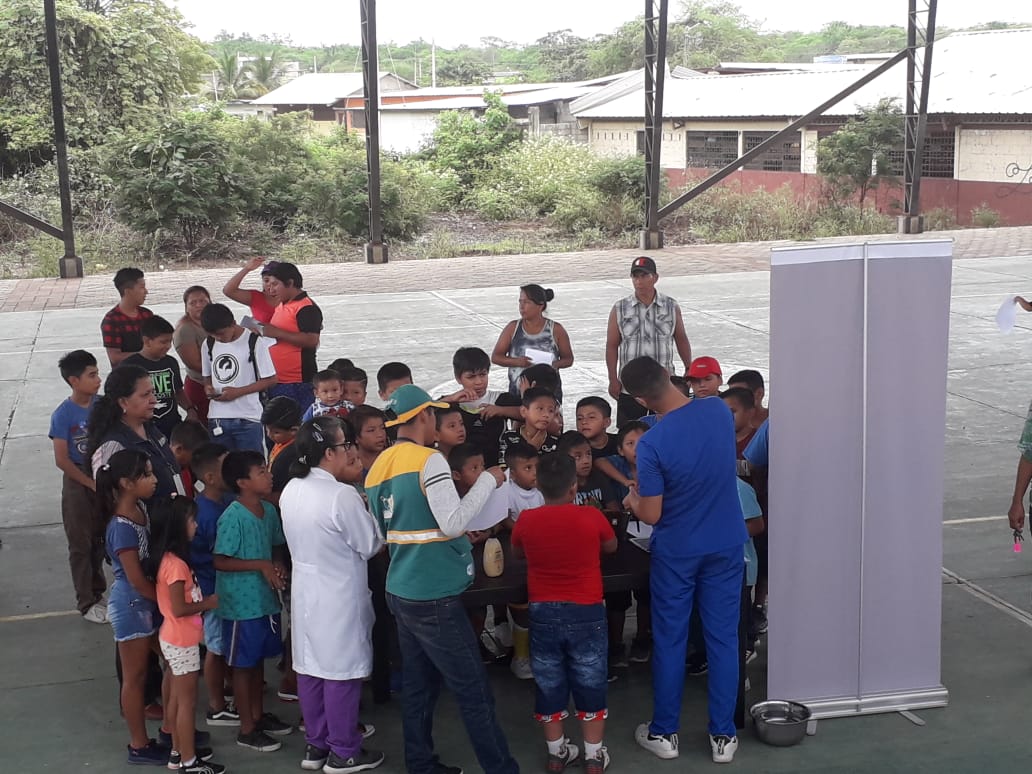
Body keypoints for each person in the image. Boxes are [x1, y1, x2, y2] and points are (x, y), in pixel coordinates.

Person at [365, 385, 518, 774]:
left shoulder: (379, 465)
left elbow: (384, 534)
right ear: (423, 416)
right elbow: (452, 524)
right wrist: (488, 481)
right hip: (433, 593)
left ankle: (420, 764)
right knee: (474, 690)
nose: (436, 420)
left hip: (402, 589)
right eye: (433, 414)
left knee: (420, 687)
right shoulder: (429, 460)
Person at [620, 356, 747, 765]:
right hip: (725, 543)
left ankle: (664, 732)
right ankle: (724, 736)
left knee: (671, 639)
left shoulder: (653, 443)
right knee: (723, 639)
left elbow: (652, 513)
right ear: (668, 374)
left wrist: (633, 500)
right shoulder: (718, 411)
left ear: (641, 399)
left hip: (677, 551)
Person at [280, 417, 386, 774]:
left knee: (311, 668)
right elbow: (369, 544)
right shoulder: (341, 495)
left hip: (306, 590)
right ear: (329, 453)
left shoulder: (292, 488)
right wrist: (370, 511)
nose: (350, 451)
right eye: (345, 445)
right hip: (338, 591)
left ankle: (317, 743)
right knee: (341, 672)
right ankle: (344, 750)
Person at [511, 453, 617, 774]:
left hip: (543, 613)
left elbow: (517, 552)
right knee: (590, 680)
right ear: (574, 487)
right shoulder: (591, 516)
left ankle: (557, 753)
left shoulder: (526, 520)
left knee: (548, 682)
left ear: (539, 486)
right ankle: (594, 756)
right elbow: (611, 546)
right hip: (587, 612)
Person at [214, 450, 293, 753]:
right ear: (242, 482)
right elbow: (220, 560)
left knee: (257, 661)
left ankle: (258, 716)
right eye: (261, 472)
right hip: (240, 606)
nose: (269, 475)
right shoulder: (233, 517)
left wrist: (277, 564)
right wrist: (261, 565)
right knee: (242, 666)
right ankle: (246, 728)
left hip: (264, 601)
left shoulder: (268, 511)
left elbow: (276, 546)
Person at [96, 449, 165, 764]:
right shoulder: (122, 526)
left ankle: (169, 730)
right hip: (133, 605)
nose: (154, 480)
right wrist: (167, 602)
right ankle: (139, 744)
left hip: (146, 602)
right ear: (126, 483)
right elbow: (136, 579)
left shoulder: (140, 508)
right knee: (135, 678)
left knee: (172, 662)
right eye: (146, 475)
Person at [148, 496, 224, 774]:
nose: (196, 525)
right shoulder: (177, 566)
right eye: (191, 521)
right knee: (186, 704)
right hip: (181, 640)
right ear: (178, 527)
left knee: (178, 700)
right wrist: (209, 603)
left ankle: (178, 752)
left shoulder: (169, 560)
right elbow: (179, 608)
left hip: (176, 638)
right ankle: (189, 762)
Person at [50, 350, 106, 622]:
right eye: (92, 375)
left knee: (99, 539)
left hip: (101, 473)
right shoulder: (63, 415)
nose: (98, 380)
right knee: (80, 543)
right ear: (74, 381)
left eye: (97, 373)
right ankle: (86, 601)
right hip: (78, 479)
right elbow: (62, 459)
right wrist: (89, 483)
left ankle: (98, 591)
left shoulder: (103, 406)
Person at [605, 257, 692, 425]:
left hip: (664, 384)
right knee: (630, 431)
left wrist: (689, 367)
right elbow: (612, 346)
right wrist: (612, 379)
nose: (639, 281)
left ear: (655, 278)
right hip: (630, 387)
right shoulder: (620, 308)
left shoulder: (670, 306)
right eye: (635, 276)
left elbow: (681, 338)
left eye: (645, 276)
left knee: (667, 428)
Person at [187, 443, 237, 727]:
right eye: (225, 467)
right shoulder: (206, 513)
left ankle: (228, 689)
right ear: (209, 477)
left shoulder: (223, 501)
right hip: (212, 590)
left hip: (221, 587)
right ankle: (217, 706)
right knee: (216, 649)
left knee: (223, 644)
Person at [87, 365, 184, 504]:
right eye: (145, 395)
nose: (154, 400)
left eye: (153, 392)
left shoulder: (150, 428)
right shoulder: (113, 445)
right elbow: (108, 498)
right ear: (123, 402)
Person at [245, 262, 323, 414]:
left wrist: (277, 332)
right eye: (268, 284)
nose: (270, 289)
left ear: (290, 283)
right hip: (277, 379)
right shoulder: (283, 304)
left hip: (296, 382)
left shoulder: (306, 307)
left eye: (275, 284)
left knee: (295, 423)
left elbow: (311, 340)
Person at [200, 303, 278, 453]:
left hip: (248, 417)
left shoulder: (254, 341)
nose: (218, 338)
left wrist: (238, 392)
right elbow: (207, 376)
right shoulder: (208, 343)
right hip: (218, 417)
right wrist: (208, 388)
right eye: (213, 335)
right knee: (222, 463)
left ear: (233, 323)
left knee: (251, 463)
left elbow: (271, 379)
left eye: (221, 334)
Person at [440, 347, 519, 467]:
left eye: (483, 374)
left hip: (498, 467)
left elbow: (528, 413)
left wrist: (501, 410)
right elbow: (423, 413)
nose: (479, 382)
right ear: (458, 378)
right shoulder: (450, 403)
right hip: (463, 470)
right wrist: (450, 399)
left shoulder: (501, 399)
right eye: (471, 377)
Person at [123, 316, 199, 440]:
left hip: (171, 426)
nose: (168, 346)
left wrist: (190, 409)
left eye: (170, 341)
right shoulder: (129, 366)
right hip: (143, 429)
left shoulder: (171, 362)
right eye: (163, 342)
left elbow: (178, 391)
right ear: (147, 341)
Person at [491, 284, 574, 397]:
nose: (521, 307)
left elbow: (568, 359)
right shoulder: (512, 328)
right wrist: (518, 362)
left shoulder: (556, 329)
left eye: (527, 302)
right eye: (520, 302)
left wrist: (553, 365)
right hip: (517, 394)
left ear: (540, 305)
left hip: (549, 395)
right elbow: (496, 357)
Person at [175, 286, 213, 423]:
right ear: (186, 307)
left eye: (202, 301)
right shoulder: (185, 329)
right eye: (193, 303)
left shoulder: (215, 322)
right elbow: (195, 364)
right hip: (200, 386)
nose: (199, 305)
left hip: (221, 383)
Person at [102, 267, 154, 366]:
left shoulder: (147, 314)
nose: (146, 291)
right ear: (128, 291)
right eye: (142, 287)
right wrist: (145, 354)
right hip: (126, 373)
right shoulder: (111, 320)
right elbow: (115, 357)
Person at [497, 387, 561, 464]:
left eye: (551, 411)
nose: (546, 415)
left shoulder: (557, 442)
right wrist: (531, 449)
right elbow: (505, 469)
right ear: (523, 411)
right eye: (540, 409)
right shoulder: (509, 437)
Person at [558, 431, 618, 511]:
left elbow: (614, 510)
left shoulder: (599, 478)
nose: (586, 461)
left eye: (588, 454)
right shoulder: (560, 485)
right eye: (578, 456)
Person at [222, 256, 279, 324]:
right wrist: (246, 269)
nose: (270, 284)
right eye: (266, 280)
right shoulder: (256, 297)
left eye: (276, 281)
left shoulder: (290, 298)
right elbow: (228, 291)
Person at [503, 441, 544, 523]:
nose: (535, 472)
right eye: (528, 468)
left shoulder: (542, 488)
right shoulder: (507, 492)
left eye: (537, 466)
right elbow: (506, 520)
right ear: (512, 474)